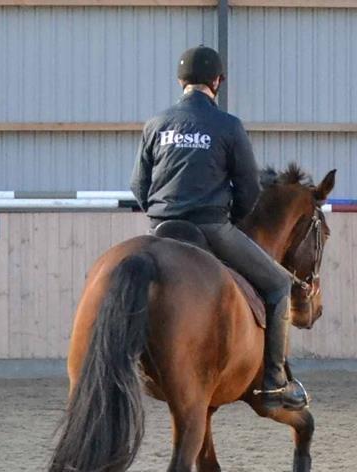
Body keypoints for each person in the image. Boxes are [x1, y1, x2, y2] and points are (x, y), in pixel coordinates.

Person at [130, 45, 307, 410]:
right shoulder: (228, 126)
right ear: (218, 81)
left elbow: (138, 186)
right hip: (210, 228)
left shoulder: (156, 124)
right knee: (279, 286)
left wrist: (161, 214)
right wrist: (234, 218)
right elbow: (249, 189)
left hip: (162, 229)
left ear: (180, 81)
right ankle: (275, 381)